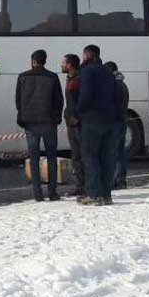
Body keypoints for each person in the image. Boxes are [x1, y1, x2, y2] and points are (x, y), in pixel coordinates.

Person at [16, 49, 64, 201]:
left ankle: (37, 194)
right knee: (51, 157)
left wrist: (23, 116)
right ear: (45, 61)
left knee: (34, 158)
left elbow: (18, 101)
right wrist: (56, 118)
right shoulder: (52, 77)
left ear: (33, 61)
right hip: (49, 123)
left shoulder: (23, 77)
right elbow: (59, 100)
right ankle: (52, 192)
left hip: (30, 124)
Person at [76, 44, 119, 206]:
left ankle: (94, 194)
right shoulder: (108, 72)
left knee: (90, 156)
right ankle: (107, 195)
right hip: (110, 119)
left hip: (92, 119)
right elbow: (116, 95)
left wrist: (79, 111)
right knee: (107, 157)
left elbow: (86, 95)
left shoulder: (87, 71)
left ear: (87, 55)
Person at [61, 54, 84, 197]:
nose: (61, 65)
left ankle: (83, 185)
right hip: (72, 123)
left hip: (77, 124)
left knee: (81, 155)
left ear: (70, 65)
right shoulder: (71, 79)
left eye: (63, 63)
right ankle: (80, 184)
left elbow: (80, 101)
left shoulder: (77, 81)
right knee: (76, 155)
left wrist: (76, 117)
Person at [104, 61, 130, 190]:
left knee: (113, 152)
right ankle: (121, 179)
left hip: (114, 122)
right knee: (120, 151)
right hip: (122, 121)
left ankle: (116, 180)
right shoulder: (122, 84)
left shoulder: (113, 85)